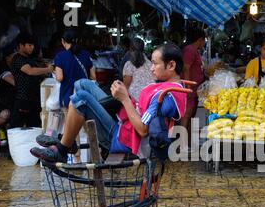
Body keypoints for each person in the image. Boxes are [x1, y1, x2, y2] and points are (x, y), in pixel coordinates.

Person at [30, 43, 187, 163]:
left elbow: (143, 130)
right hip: (123, 123)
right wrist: (123, 98)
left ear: (171, 65)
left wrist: (125, 99)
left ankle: (62, 150)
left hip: (121, 137)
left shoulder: (167, 96)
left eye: (155, 63)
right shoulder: (166, 87)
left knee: (81, 99)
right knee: (82, 83)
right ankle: (68, 140)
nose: (151, 68)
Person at [10, 32, 54, 128]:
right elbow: (30, 71)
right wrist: (48, 69)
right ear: (21, 45)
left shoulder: (30, 59)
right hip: (22, 99)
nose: (32, 47)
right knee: (16, 128)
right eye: (29, 45)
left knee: (34, 127)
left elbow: (40, 73)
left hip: (33, 100)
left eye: (33, 45)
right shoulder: (17, 58)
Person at [179, 29, 206, 153]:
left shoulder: (195, 51)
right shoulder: (190, 50)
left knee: (191, 115)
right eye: (204, 40)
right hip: (189, 88)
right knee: (186, 114)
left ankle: (189, 143)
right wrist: (188, 88)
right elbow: (186, 68)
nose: (204, 43)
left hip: (194, 89)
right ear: (200, 39)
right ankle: (182, 144)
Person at [54, 29, 96, 108]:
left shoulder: (60, 56)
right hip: (84, 97)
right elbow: (93, 76)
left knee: (68, 120)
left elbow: (59, 78)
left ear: (63, 41)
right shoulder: (86, 54)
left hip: (68, 97)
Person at [0, 48, 16, 129]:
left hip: (9, 99)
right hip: (0, 100)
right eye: (14, 56)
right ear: (7, 58)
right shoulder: (2, 68)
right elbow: (14, 82)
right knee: (6, 115)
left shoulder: (12, 66)